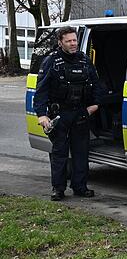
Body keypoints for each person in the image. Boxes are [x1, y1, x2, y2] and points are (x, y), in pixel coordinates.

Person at [34, 26, 104, 201]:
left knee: (81, 152)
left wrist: (94, 105)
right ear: (60, 42)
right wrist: (42, 115)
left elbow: (96, 85)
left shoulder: (85, 61)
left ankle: (80, 187)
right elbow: (41, 91)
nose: (73, 44)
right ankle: (58, 189)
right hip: (60, 114)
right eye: (69, 41)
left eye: (75, 40)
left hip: (80, 113)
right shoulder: (51, 61)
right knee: (60, 153)